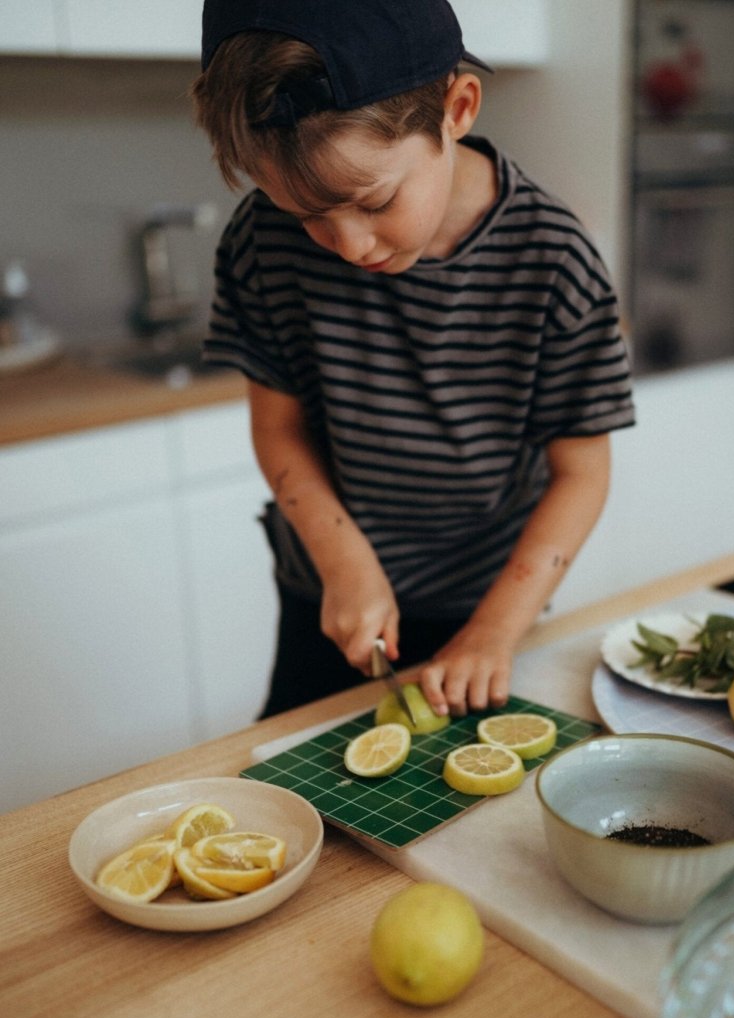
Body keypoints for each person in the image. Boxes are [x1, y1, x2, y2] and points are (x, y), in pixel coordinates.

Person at [192, 0, 634, 720]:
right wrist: (343, 562)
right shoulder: (262, 243)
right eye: (308, 216)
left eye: (375, 200)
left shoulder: (553, 259)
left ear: (456, 110)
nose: (349, 245)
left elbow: (582, 473)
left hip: (492, 605)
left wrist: (492, 633)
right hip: (329, 594)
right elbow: (278, 429)